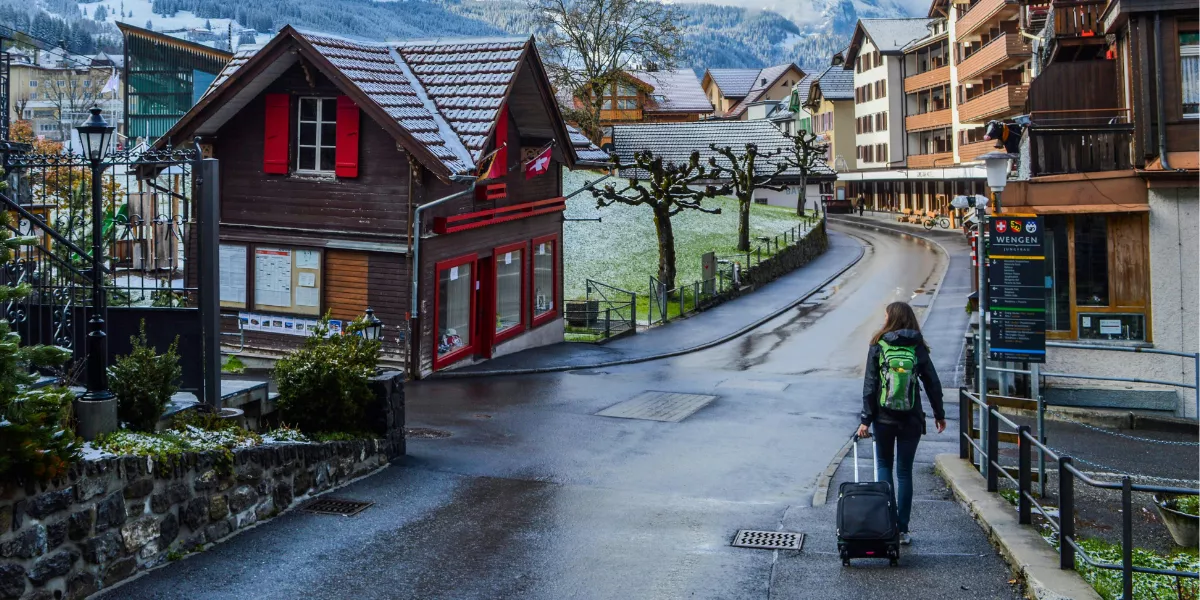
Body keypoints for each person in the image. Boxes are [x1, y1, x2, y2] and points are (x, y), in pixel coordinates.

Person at [856, 301, 945, 546]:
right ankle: (902, 529)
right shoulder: (917, 345)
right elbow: (932, 382)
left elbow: (870, 384)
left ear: (891, 318)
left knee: (884, 466)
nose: (884, 319)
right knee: (904, 472)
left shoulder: (879, 343)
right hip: (911, 418)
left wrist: (865, 419)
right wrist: (939, 414)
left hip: (883, 419)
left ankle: (886, 524)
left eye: (886, 315)